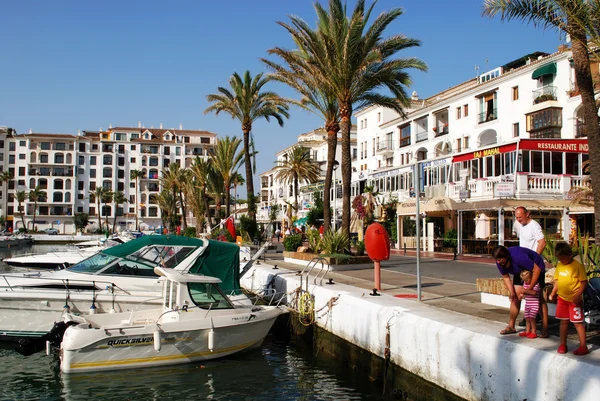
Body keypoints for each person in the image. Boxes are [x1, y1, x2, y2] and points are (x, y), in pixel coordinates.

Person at [492, 245, 548, 336]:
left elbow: (536, 270)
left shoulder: (519, 257)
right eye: (496, 260)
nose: (497, 262)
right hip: (520, 272)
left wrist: (529, 288)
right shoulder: (499, 262)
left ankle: (545, 328)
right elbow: (506, 277)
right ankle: (511, 326)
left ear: (505, 257)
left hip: (536, 268)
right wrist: (512, 292)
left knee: (539, 298)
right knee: (515, 298)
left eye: (499, 259)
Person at [549, 242, 588, 355]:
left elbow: (583, 282)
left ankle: (583, 346)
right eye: (560, 259)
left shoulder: (577, 266)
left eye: (563, 259)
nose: (562, 261)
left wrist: (578, 295)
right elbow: (557, 280)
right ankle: (563, 344)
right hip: (562, 299)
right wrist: (553, 292)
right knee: (563, 322)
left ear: (570, 255)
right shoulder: (560, 266)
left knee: (577, 323)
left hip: (574, 300)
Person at [513, 206, 547, 330]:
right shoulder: (519, 225)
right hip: (523, 264)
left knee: (538, 295)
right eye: (516, 217)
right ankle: (530, 316)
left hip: (533, 264)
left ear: (527, 214)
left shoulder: (535, 226)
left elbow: (542, 242)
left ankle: (544, 324)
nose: (518, 219)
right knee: (523, 292)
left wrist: (535, 258)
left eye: (520, 217)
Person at [518, 270, 540, 339]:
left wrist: (525, 291)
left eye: (527, 280)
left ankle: (534, 332)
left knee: (532, 318)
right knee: (527, 318)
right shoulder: (525, 283)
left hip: (534, 305)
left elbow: (534, 293)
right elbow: (524, 290)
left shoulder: (536, 284)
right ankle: (527, 331)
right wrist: (521, 295)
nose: (526, 282)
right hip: (528, 304)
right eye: (524, 280)